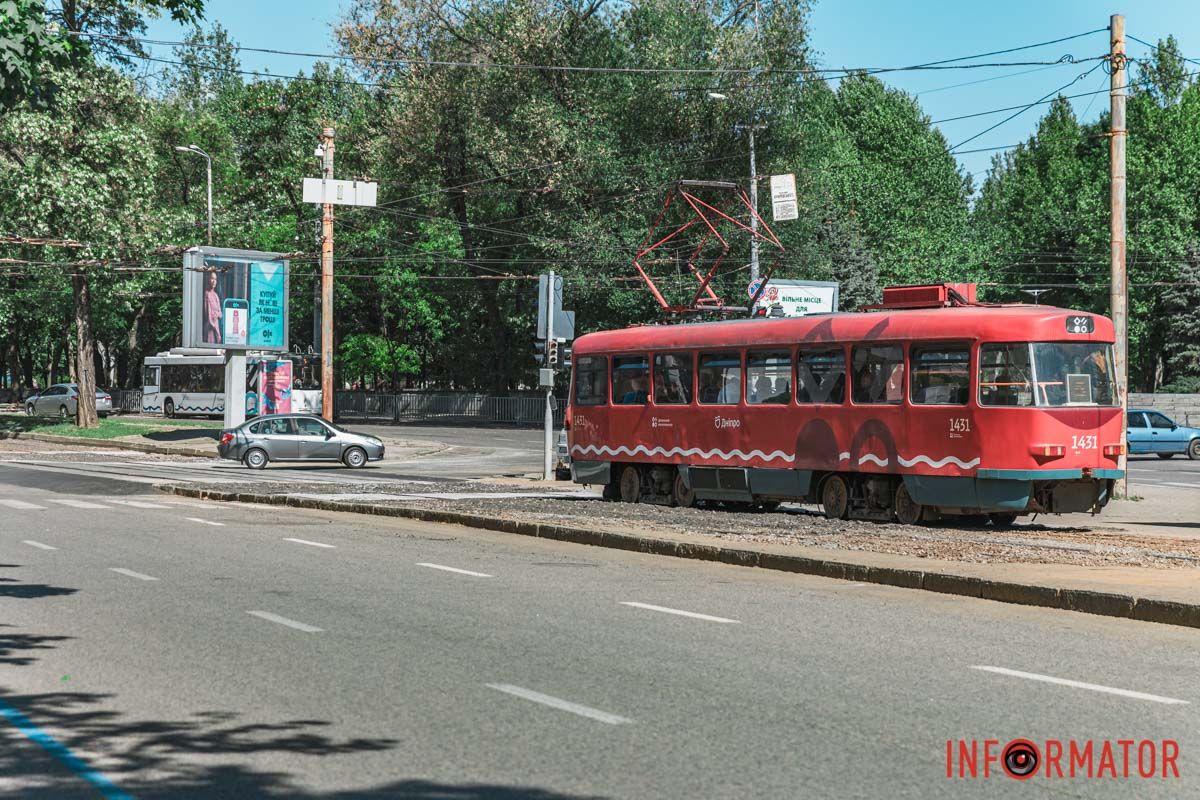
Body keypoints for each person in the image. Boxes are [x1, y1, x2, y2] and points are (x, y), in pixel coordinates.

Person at [203, 272, 222, 344]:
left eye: (215, 279)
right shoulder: (207, 294)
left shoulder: (216, 295)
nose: (214, 281)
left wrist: (216, 314)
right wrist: (216, 329)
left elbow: (220, 314)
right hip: (210, 329)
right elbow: (208, 316)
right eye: (212, 278)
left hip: (216, 326)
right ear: (208, 280)